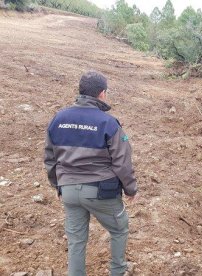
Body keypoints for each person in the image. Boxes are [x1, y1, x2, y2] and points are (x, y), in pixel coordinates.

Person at [44, 70, 138, 276]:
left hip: (68, 190)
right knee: (119, 229)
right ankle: (117, 271)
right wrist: (131, 189)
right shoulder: (108, 123)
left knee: (76, 240)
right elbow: (122, 161)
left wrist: (58, 185)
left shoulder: (58, 119)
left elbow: (50, 159)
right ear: (102, 94)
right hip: (100, 190)